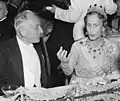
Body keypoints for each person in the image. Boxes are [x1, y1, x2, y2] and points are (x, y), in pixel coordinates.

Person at [57, 4, 120, 100]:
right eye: (89, 25)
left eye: (95, 25)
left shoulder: (111, 47)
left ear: (103, 27)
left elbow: (116, 74)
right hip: (80, 94)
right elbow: (68, 72)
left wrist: (106, 80)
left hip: (103, 94)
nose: (91, 30)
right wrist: (64, 63)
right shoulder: (77, 46)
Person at [0, 10, 50, 95]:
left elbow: (45, 79)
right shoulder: (3, 50)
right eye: (36, 27)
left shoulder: (39, 46)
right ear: (23, 32)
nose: (41, 31)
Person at [46, 0, 117, 41]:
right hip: (100, 26)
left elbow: (73, 16)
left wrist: (57, 12)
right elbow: (111, 9)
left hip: (82, 30)